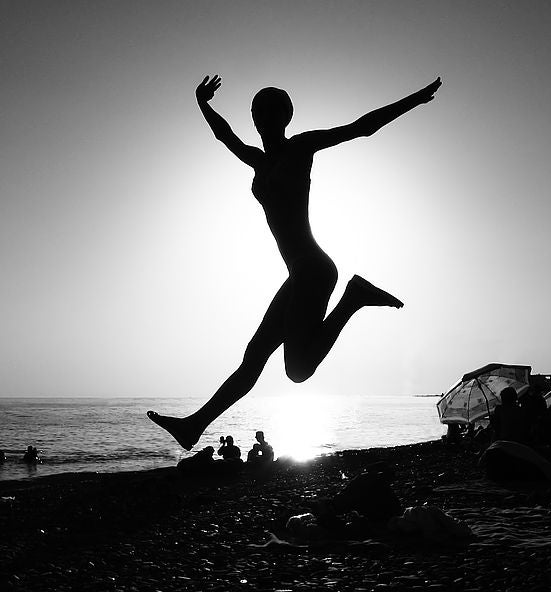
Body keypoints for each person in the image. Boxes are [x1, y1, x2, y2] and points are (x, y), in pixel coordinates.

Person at [148, 75, 442, 450]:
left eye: (268, 112)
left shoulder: (301, 147)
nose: (260, 119)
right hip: (299, 273)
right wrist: (204, 105)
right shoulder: (257, 160)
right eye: (256, 112)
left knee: (297, 372)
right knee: (254, 358)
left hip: (314, 270)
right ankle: (194, 426)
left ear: (285, 116)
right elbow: (225, 136)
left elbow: (361, 128)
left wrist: (413, 100)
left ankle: (353, 298)